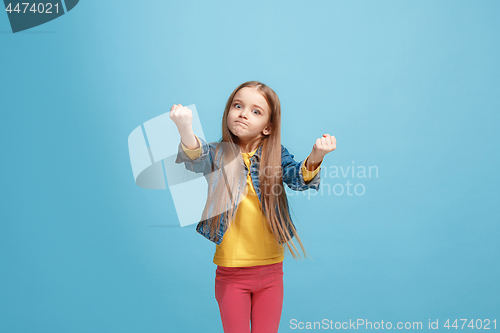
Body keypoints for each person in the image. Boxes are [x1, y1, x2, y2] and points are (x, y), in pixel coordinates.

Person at [170, 81, 336, 333]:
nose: (243, 113)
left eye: (255, 111)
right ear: (228, 112)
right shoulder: (218, 154)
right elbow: (197, 157)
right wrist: (185, 129)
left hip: (271, 271)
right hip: (231, 272)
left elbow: (298, 180)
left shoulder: (276, 154)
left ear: (268, 127)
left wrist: (316, 157)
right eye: (238, 106)